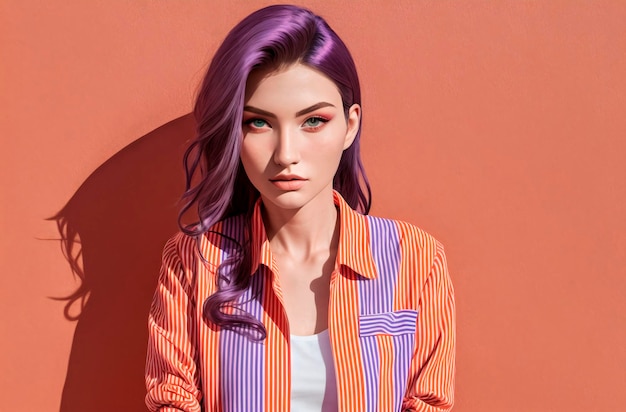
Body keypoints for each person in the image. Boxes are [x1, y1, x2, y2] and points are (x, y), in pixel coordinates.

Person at [145, 4, 455, 412]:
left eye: (313, 121)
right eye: (258, 123)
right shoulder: (194, 262)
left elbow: (429, 402)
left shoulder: (415, 259)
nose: (286, 154)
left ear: (351, 124)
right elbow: (171, 402)